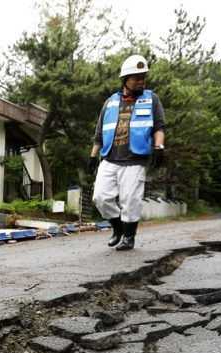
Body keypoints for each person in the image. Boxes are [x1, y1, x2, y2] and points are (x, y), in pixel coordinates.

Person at [87, 55, 166, 251]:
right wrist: (92, 156)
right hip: (109, 158)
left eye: (143, 77)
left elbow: (159, 127)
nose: (141, 81)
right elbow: (99, 134)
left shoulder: (151, 99)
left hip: (134, 159)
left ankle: (129, 237)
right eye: (136, 78)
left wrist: (159, 147)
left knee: (130, 200)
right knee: (100, 197)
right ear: (125, 79)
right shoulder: (110, 102)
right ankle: (118, 228)